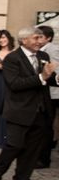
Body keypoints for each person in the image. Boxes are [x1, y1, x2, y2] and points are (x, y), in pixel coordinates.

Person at [0, 27, 58, 180]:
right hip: (19, 110)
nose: (39, 41)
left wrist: (54, 79)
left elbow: (48, 79)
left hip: (41, 111)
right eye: (36, 38)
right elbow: (15, 84)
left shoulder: (43, 56)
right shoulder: (12, 58)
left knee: (32, 151)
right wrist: (42, 77)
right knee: (14, 146)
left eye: (40, 38)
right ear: (24, 40)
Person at [37, 25, 59, 168]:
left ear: (48, 38)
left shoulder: (53, 49)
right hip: (46, 92)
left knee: (46, 126)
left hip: (52, 93)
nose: (38, 40)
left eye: (40, 37)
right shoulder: (42, 50)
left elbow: (55, 70)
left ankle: (44, 159)